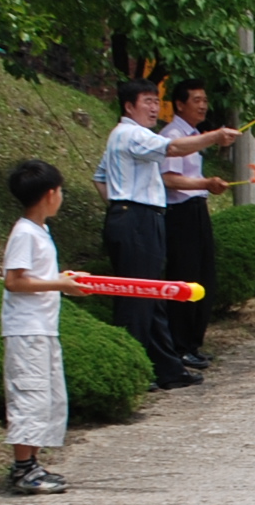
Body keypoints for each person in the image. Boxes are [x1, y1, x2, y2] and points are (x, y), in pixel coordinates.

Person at [95, 80, 238, 389]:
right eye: (146, 101)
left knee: (153, 295)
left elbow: (100, 177)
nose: (152, 107)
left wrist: (119, 203)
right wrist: (214, 136)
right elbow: (171, 148)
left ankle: (166, 369)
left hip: (142, 215)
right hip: (136, 217)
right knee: (136, 297)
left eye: (154, 100)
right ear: (128, 106)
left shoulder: (125, 136)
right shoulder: (132, 134)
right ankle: (131, 370)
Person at [0, 160, 84, 494]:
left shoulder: (40, 231)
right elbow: (14, 281)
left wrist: (64, 282)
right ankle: (22, 469)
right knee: (29, 395)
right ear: (50, 194)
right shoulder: (23, 233)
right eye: (61, 190)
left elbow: (43, 278)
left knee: (46, 397)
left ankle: (33, 464)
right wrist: (58, 284)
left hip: (44, 327)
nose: (61, 196)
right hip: (26, 329)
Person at [159, 84, 229, 371]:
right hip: (179, 213)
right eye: (196, 100)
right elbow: (170, 179)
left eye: (205, 100)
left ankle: (193, 343)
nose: (203, 106)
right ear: (179, 104)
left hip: (198, 209)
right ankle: (179, 344)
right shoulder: (172, 137)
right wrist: (206, 184)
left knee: (204, 276)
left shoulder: (195, 136)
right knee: (184, 276)